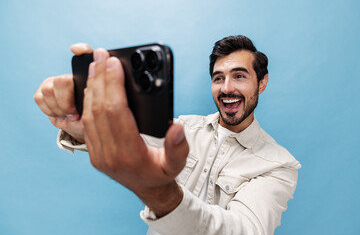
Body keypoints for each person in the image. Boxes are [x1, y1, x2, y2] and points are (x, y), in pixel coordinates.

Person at [34, 35, 301, 235]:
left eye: (239, 76)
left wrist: (160, 193)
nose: (227, 88)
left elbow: (244, 230)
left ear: (262, 83)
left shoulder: (278, 164)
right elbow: (130, 137)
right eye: (218, 78)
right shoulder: (183, 128)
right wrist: (80, 127)